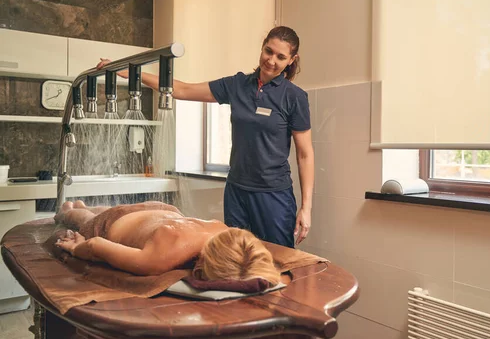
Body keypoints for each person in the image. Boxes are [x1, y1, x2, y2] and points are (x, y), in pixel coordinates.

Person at [97, 26, 314, 248]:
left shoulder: (294, 97)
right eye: (269, 51)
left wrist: (306, 208)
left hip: (273, 195)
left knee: (278, 261)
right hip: (236, 191)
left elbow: (305, 155)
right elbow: (183, 90)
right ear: (262, 46)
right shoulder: (238, 85)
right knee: (235, 259)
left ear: (291, 60)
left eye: (281, 57)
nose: (271, 60)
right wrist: (132, 74)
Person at [53, 200, 280, 285]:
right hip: (113, 223)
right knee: (81, 217)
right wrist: (76, 247)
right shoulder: (162, 257)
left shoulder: (229, 234)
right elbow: (96, 246)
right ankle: (70, 209)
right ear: (202, 267)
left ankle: (82, 205)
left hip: (164, 211)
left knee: (104, 208)